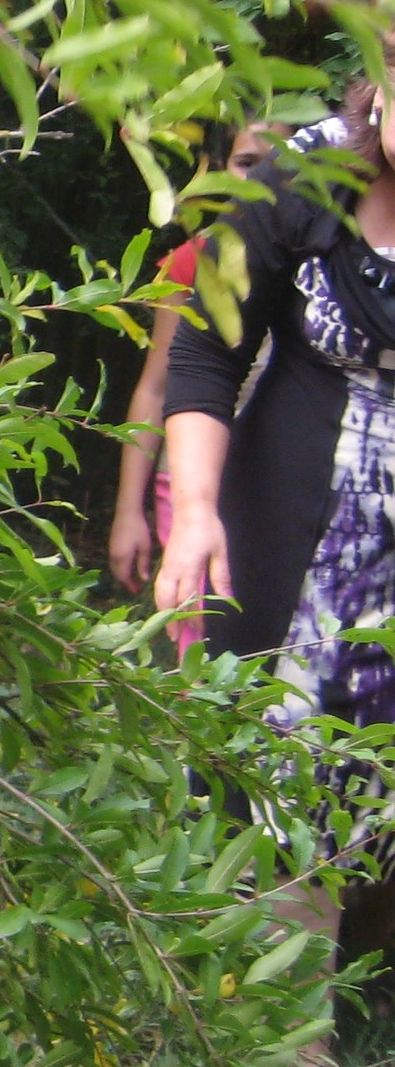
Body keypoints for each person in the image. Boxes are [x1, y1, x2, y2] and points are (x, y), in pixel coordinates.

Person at [155, 102, 395, 955]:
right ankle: (252, 1009)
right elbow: (206, 350)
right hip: (285, 567)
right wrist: (193, 511)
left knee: (368, 838)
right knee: (256, 818)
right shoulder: (305, 177)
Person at [108, 123, 279, 650]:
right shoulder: (190, 262)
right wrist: (127, 511)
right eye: (248, 162)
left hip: (279, 483)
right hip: (186, 486)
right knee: (202, 645)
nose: (266, 176)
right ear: (218, 168)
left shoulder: (321, 261)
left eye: (283, 159)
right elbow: (154, 388)